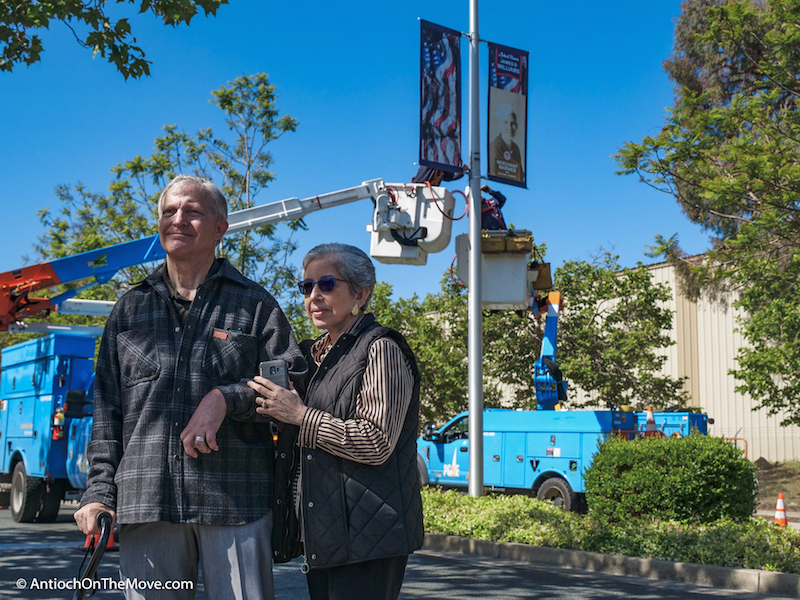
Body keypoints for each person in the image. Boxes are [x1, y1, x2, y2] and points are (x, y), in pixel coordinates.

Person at [74, 174, 307, 600]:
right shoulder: (128, 309)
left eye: (193, 211)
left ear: (221, 227)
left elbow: (288, 381)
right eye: (169, 211)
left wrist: (226, 397)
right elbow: (107, 415)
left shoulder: (256, 305)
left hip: (235, 499)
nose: (178, 219)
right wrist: (98, 493)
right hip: (147, 500)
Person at [248, 243, 423, 600]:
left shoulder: (380, 349)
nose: (314, 295)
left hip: (371, 535)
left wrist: (300, 415)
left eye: (327, 284)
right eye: (306, 286)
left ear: (360, 293)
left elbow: (375, 441)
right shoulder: (313, 355)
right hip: (327, 532)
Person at [488, 103, 524, 182]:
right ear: (500, 125)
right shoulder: (495, 147)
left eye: (512, 123)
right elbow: (494, 173)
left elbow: (520, 177)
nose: (510, 127)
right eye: (505, 123)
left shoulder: (515, 148)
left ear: (516, 126)